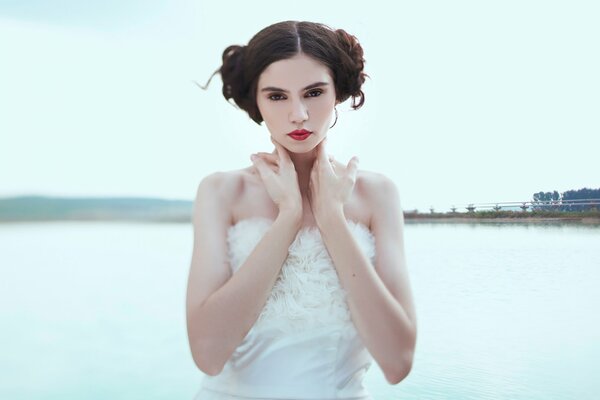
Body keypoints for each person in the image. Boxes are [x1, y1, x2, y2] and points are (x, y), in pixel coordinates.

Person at [186, 20, 417, 400]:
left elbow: (398, 363)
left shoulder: (377, 194)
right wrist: (289, 215)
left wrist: (331, 219)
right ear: (256, 102)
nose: (298, 114)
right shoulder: (221, 192)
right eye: (277, 96)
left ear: (338, 93)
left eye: (313, 92)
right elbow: (208, 355)